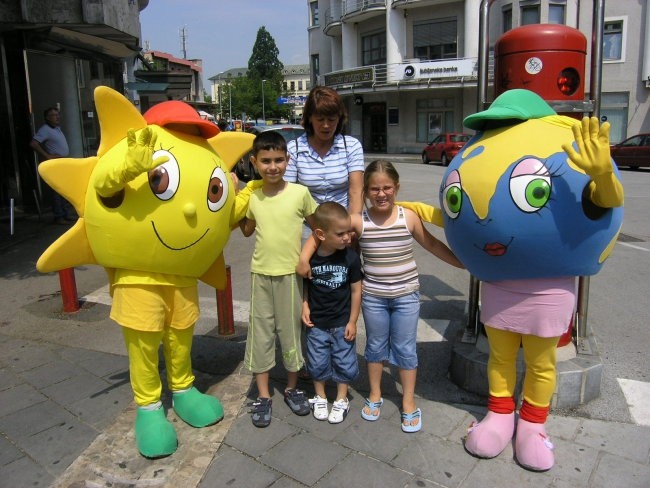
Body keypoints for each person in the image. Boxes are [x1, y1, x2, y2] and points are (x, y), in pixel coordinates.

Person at [239, 130, 319, 428]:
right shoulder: (254, 196)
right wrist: (238, 195)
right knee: (261, 334)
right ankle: (263, 395)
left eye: (279, 160)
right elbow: (247, 230)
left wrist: (306, 258)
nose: (273, 167)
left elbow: (317, 228)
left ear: (288, 160)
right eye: (266, 161)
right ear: (254, 162)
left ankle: (291, 386)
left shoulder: (300, 193)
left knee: (291, 332)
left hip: (291, 276)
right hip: (261, 274)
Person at [302, 202, 362, 424]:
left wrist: (353, 321)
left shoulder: (350, 259)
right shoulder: (312, 259)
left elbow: (357, 290)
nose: (347, 237)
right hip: (316, 322)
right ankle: (319, 396)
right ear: (321, 234)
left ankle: (341, 399)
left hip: (341, 321)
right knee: (317, 361)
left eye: (349, 231)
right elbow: (306, 286)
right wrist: (304, 305)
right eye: (340, 233)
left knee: (344, 361)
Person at [30, 106, 75, 224]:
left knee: (63, 189)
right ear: (47, 118)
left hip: (62, 161)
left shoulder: (57, 129)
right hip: (55, 162)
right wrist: (47, 155)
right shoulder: (45, 129)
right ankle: (59, 216)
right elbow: (34, 143)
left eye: (57, 114)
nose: (57, 117)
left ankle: (65, 214)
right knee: (57, 190)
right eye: (54, 115)